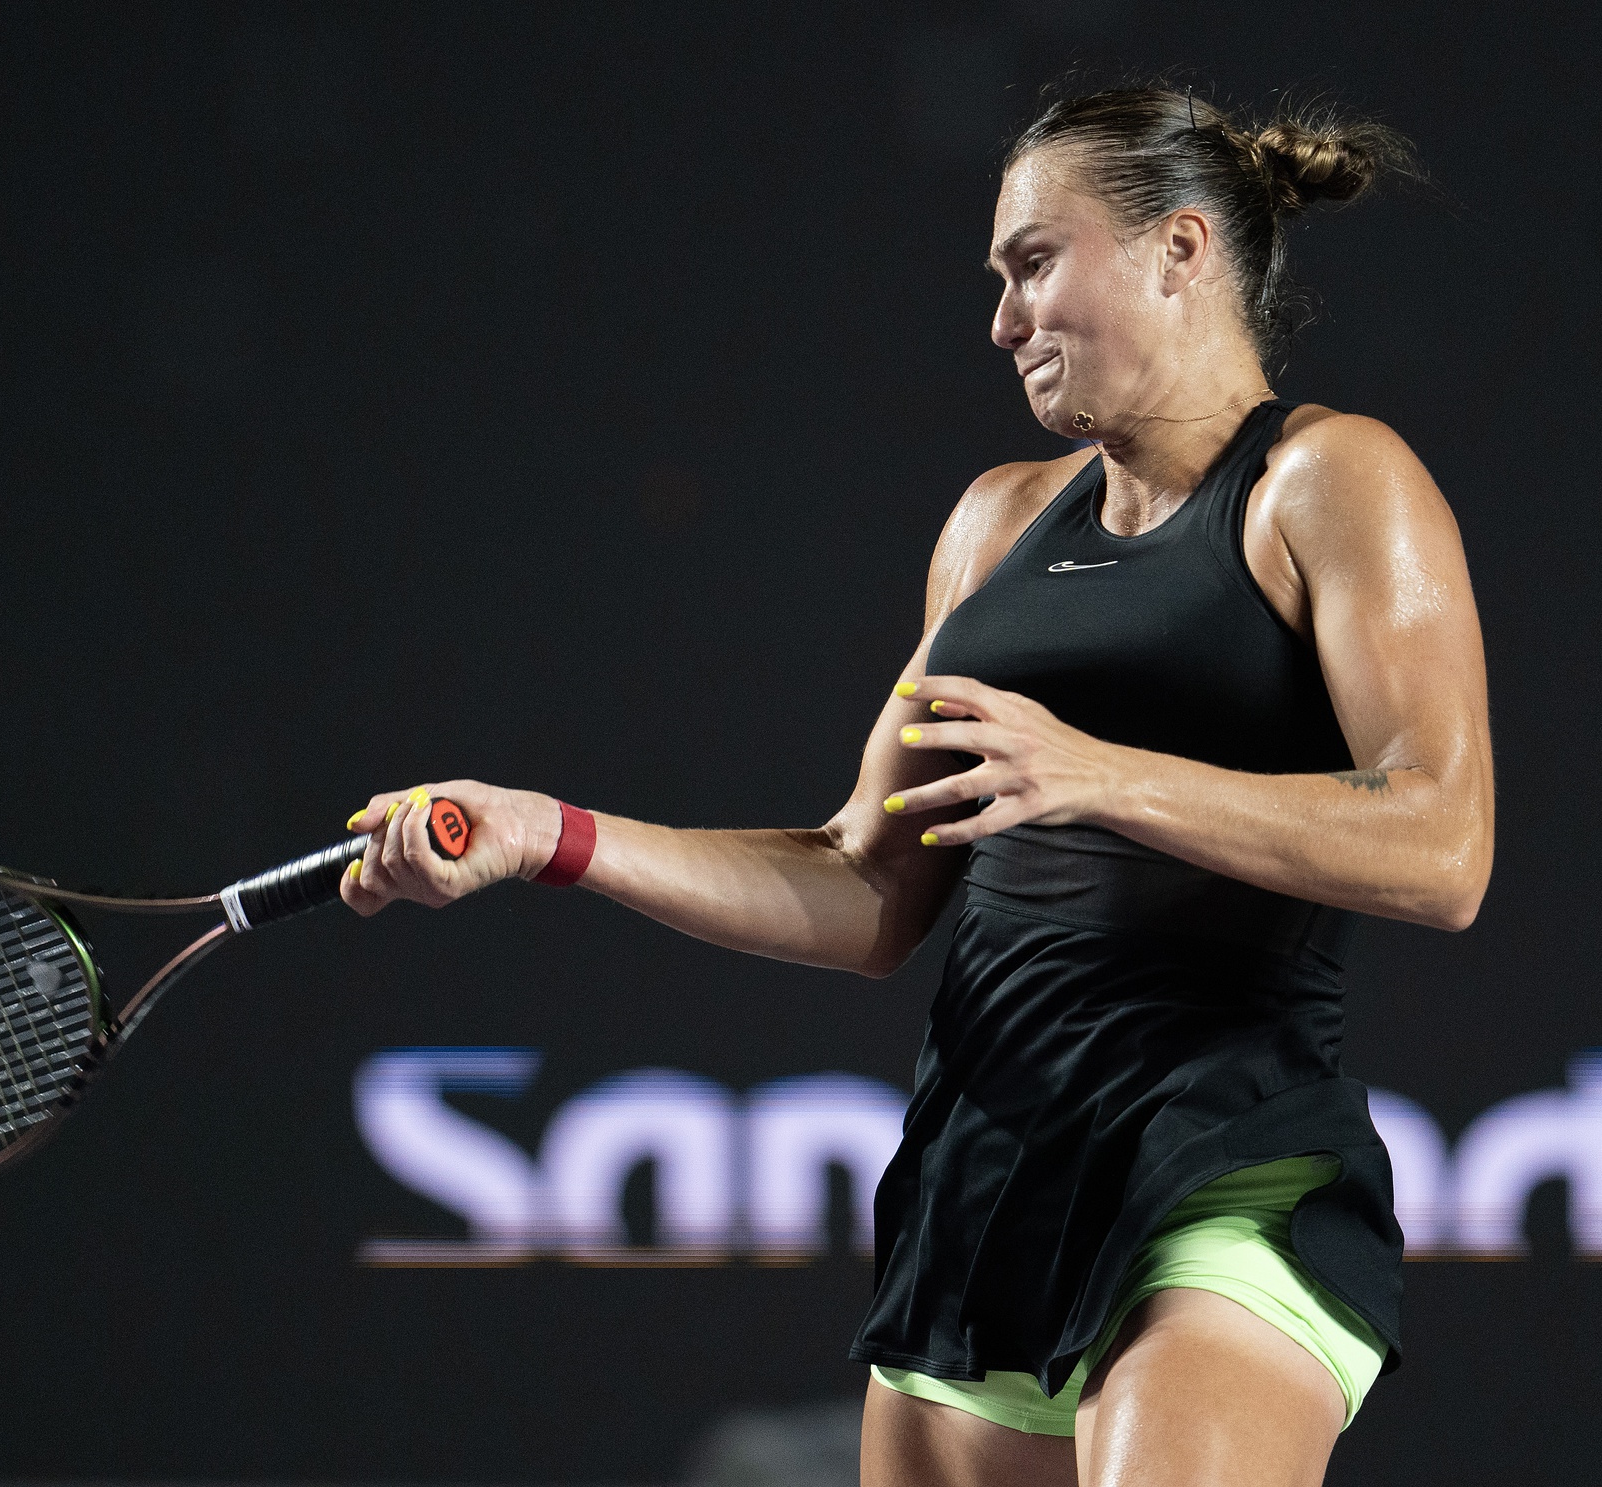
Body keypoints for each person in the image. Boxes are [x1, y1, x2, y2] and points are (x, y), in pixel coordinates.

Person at [338, 85, 1491, 1487]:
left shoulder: (1328, 481)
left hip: (1226, 1178)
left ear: (1178, 250)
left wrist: (1105, 776)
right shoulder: (994, 524)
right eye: (997, 280)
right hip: (984, 1195)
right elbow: (868, 887)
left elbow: (1443, 842)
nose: (1004, 322)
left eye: (1033, 264)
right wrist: (548, 835)